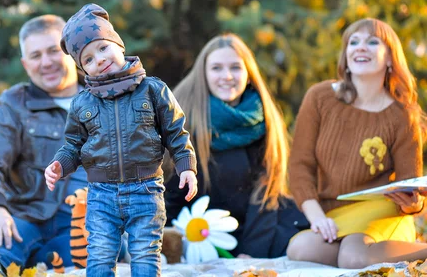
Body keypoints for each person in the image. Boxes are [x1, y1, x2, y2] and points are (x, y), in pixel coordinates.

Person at [44, 3, 198, 277]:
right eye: (88, 59)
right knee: (101, 254)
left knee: (144, 252)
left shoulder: (153, 90)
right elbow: (73, 146)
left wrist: (186, 165)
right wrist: (60, 164)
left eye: (103, 48)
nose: (99, 60)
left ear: (119, 45)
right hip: (102, 194)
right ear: (83, 69)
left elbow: (176, 131)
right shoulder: (82, 103)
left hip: (146, 189)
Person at [0, 15, 88, 276]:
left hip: (83, 224)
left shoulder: (102, 101)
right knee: (2, 241)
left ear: (72, 52)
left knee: (95, 250)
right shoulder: (14, 104)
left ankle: (38, 262)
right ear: (26, 65)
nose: (45, 62)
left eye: (53, 51)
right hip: (27, 217)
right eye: (35, 56)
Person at [287, 18, 427, 268]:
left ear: (389, 59)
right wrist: (317, 217)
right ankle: (362, 255)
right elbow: (299, 166)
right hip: (336, 213)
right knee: (299, 248)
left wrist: (413, 203)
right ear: (346, 57)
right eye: (354, 42)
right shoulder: (319, 97)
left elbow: (411, 185)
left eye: (373, 42)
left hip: (382, 211)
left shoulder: (403, 115)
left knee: (354, 256)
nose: (361, 47)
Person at [163, 33, 308, 259]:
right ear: (204, 75)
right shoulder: (183, 117)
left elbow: (266, 192)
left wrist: (251, 253)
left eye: (236, 68)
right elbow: (171, 189)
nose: (227, 76)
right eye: (217, 68)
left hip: (258, 227)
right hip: (198, 230)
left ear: (249, 74)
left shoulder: (263, 119)